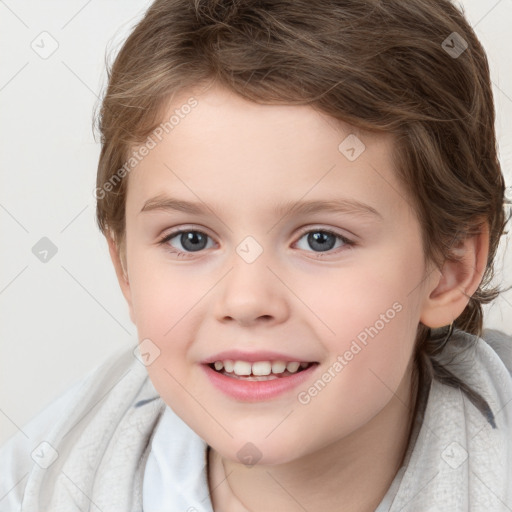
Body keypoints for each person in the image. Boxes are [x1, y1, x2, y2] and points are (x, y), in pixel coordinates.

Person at [1, 0, 511, 510]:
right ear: (126, 270)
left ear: (448, 269)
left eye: (321, 239)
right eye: (191, 239)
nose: (246, 301)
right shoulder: (45, 480)